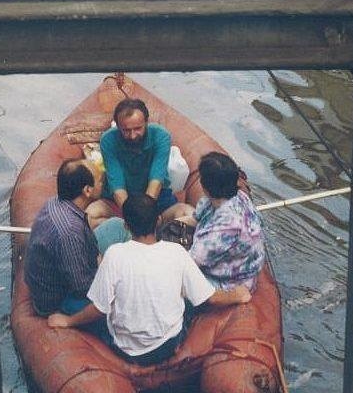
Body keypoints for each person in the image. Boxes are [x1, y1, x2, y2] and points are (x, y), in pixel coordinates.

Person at [48, 194, 251, 366]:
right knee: (188, 297)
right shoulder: (177, 252)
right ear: (159, 221)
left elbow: (99, 308)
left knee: (69, 303)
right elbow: (211, 298)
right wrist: (238, 295)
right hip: (168, 345)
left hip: (126, 349)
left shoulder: (114, 255)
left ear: (126, 226)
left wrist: (68, 321)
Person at [24, 158, 127, 318]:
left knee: (117, 226)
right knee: (125, 300)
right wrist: (114, 277)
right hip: (63, 298)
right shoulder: (70, 232)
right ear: (87, 190)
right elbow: (82, 287)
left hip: (76, 267)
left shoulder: (57, 202)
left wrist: (100, 260)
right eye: (100, 181)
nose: (103, 184)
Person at [163, 152, 265, 292]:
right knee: (180, 210)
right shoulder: (232, 196)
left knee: (164, 285)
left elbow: (189, 264)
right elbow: (195, 218)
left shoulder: (225, 228)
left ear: (205, 187)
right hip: (219, 258)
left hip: (228, 282)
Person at [87, 98, 177, 227]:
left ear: (146, 122)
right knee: (90, 216)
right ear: (118, 127)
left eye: (138, 129)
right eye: (126, 130)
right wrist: (134, 218)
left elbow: (156, 181)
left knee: (185, 213)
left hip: (155, 199)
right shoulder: (108, 140)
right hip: (119, 201)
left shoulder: (161, 136)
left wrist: (145, 215)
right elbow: (117, 186)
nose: (133, 135)